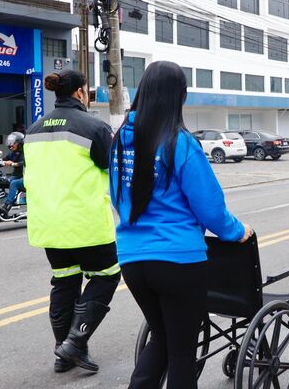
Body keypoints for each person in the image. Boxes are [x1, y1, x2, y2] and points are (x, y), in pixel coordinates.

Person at [111, 61, 251, 387]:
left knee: (161, 337)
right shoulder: (180, 143)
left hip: (132, 260)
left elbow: (118, 198)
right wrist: (236, 231)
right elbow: (210, 209)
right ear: (179, 97)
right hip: (178, 261)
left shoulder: (119, 141)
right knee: (182, 353)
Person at [24, 70, 119, 373]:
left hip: (48, 223)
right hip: (84, 221)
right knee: (107, 275)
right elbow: (111, 167)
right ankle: (75, 343)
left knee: (64, 282)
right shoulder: (94, 127)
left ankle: (63, 354)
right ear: (79, 92)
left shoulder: (33, 130)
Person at [2, 131, 25, 211]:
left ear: (20, 143)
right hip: (17, 176)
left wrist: (13, 164)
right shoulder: (13, 153)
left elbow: (24, 162)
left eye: (14, 143)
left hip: (25, 176)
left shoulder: (25, 152)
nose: (11, 145)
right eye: (11, 143)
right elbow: (4, 160)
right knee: (1, 181)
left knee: (14, 183)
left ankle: (7, 205)